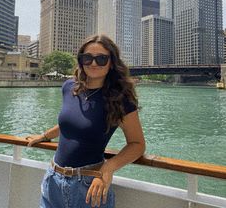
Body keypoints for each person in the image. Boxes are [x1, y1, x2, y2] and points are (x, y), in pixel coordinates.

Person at [26, 34, 145, 208]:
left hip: (90, 187)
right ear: (81, 61)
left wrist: (108, 167)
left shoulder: (120, 99)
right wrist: (44, 136)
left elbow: (137, 144)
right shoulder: (69, 87)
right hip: (53, 179)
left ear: (111, 63)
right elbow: (70, 122)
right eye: (87, 58)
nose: (94, 63)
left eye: (101, 59)